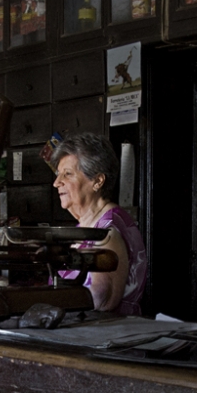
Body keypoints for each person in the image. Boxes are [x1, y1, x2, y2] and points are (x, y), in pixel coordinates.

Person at [51, 133, 146, 315]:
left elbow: (103, 300)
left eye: (68, 174)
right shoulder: (88, 227)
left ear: (97, 181)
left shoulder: (108, 231)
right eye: (58, 174)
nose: (57, 182)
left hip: (107, 336)